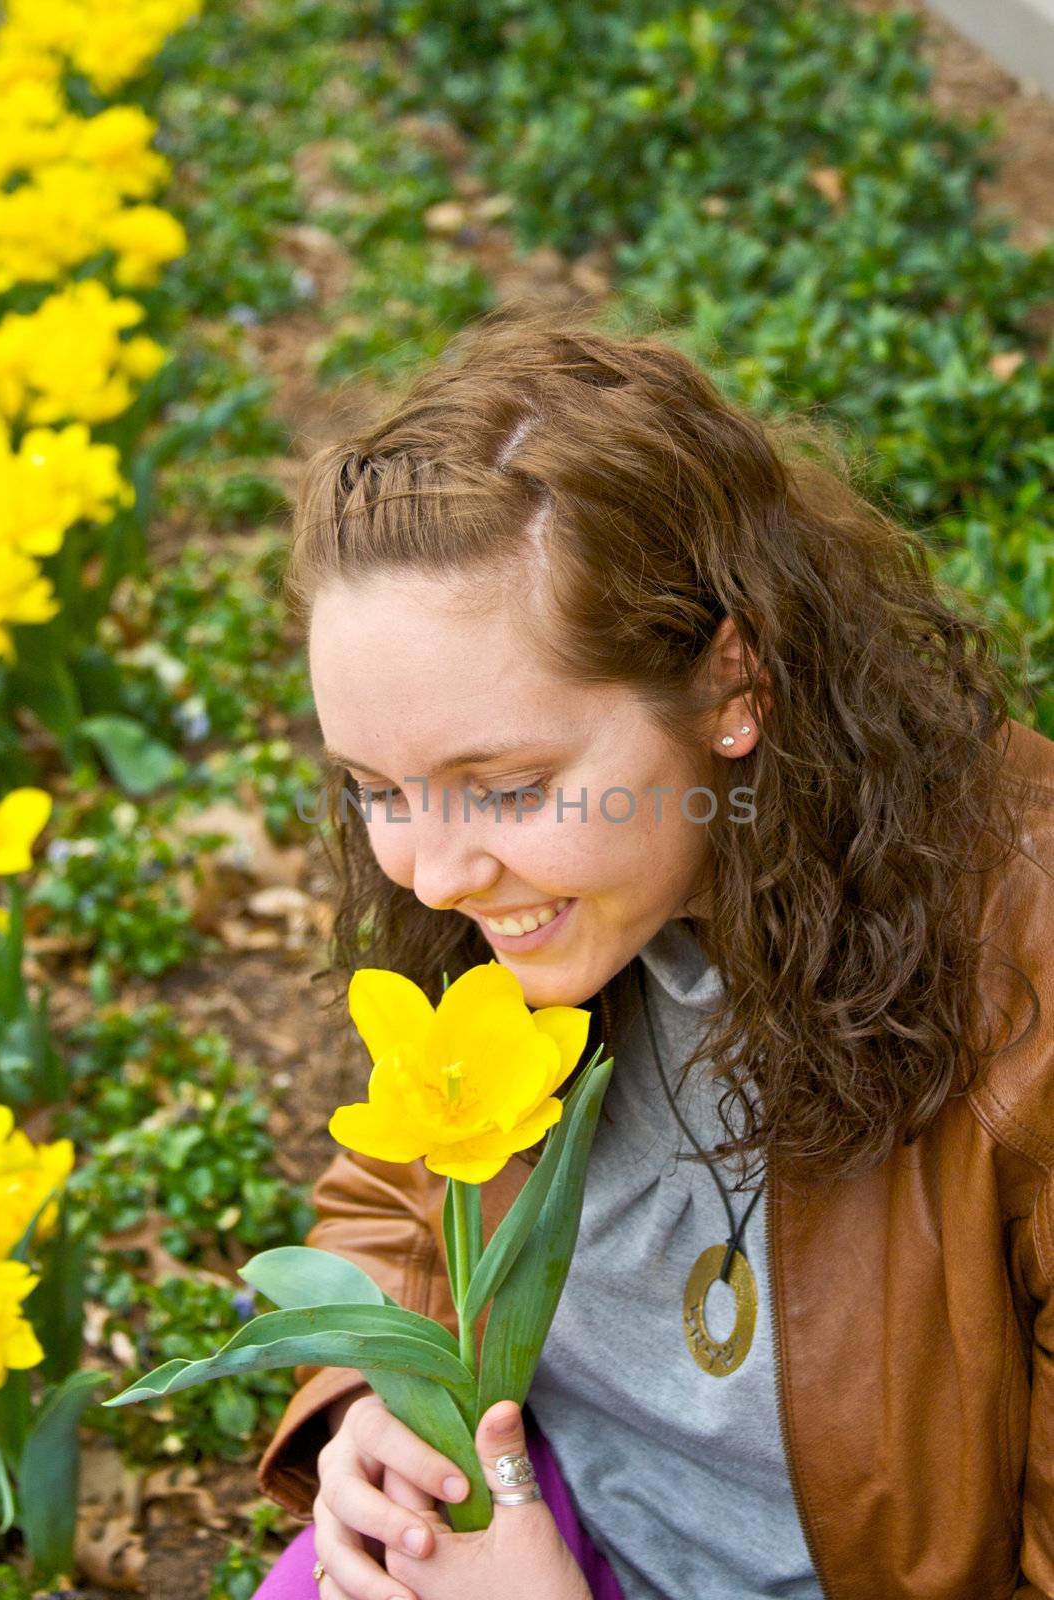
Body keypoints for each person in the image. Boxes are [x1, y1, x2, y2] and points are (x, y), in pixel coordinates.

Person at [251, 303, 1054, 1600]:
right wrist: (369, 1416)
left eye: (505, 785)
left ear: (734, 687)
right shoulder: (539, 910)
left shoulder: (1029, 995)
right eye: (375, 788)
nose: (435, 875)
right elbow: (393, 1199)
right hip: (524, 1530)